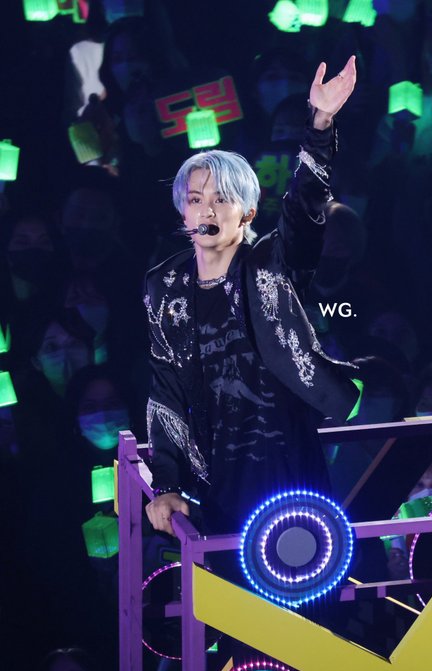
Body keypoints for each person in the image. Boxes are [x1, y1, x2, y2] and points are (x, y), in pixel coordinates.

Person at [144, 56, 360, 537]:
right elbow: (166, 385)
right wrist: (167, 482)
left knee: (297, 563)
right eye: (196, 199)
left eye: (222, 198)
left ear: (247, 212)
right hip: (213, 468)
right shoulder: (166, 285)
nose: (208, 209)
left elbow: (303, 208)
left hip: (284, 454)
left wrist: (320, 124)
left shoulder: (271, 261)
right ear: (183, 212)